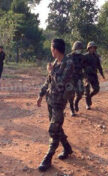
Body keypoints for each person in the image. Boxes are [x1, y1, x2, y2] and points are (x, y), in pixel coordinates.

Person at [36, 39, 74, 172]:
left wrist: (52, 71)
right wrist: (40, 95)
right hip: (50, 100)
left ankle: (48, 158)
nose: (51, 51)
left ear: (56, 50)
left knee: (53, 129)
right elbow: (48, 81)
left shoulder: (68, 63)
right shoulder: (55, 62)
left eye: (52, 48)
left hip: (59, 101)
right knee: (57, 127)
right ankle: (67, 148)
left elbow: (61, 83)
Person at [83, 41, 105, 110]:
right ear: (88, 48)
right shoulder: (85, 56)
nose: (92, 49)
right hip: (87, 75)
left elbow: (99, 66)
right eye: (91, 48)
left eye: (94, 48)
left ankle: (89, 97)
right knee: (87, 90)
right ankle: (88, 104)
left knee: (96, 89)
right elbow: (81, 66)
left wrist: (102, 74)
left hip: (94, 75)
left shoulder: (96, 57)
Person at [67, 41, 85, 116]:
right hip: (71, 78)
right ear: (74, 48)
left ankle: (76, 103)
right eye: (77, 48)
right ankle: (72, 109)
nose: (79, 49)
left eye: (80, 48)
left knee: (80, 93)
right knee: (71, 94)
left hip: (79, 78)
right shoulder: (69, 56)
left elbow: (85, 67)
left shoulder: (82, 57)